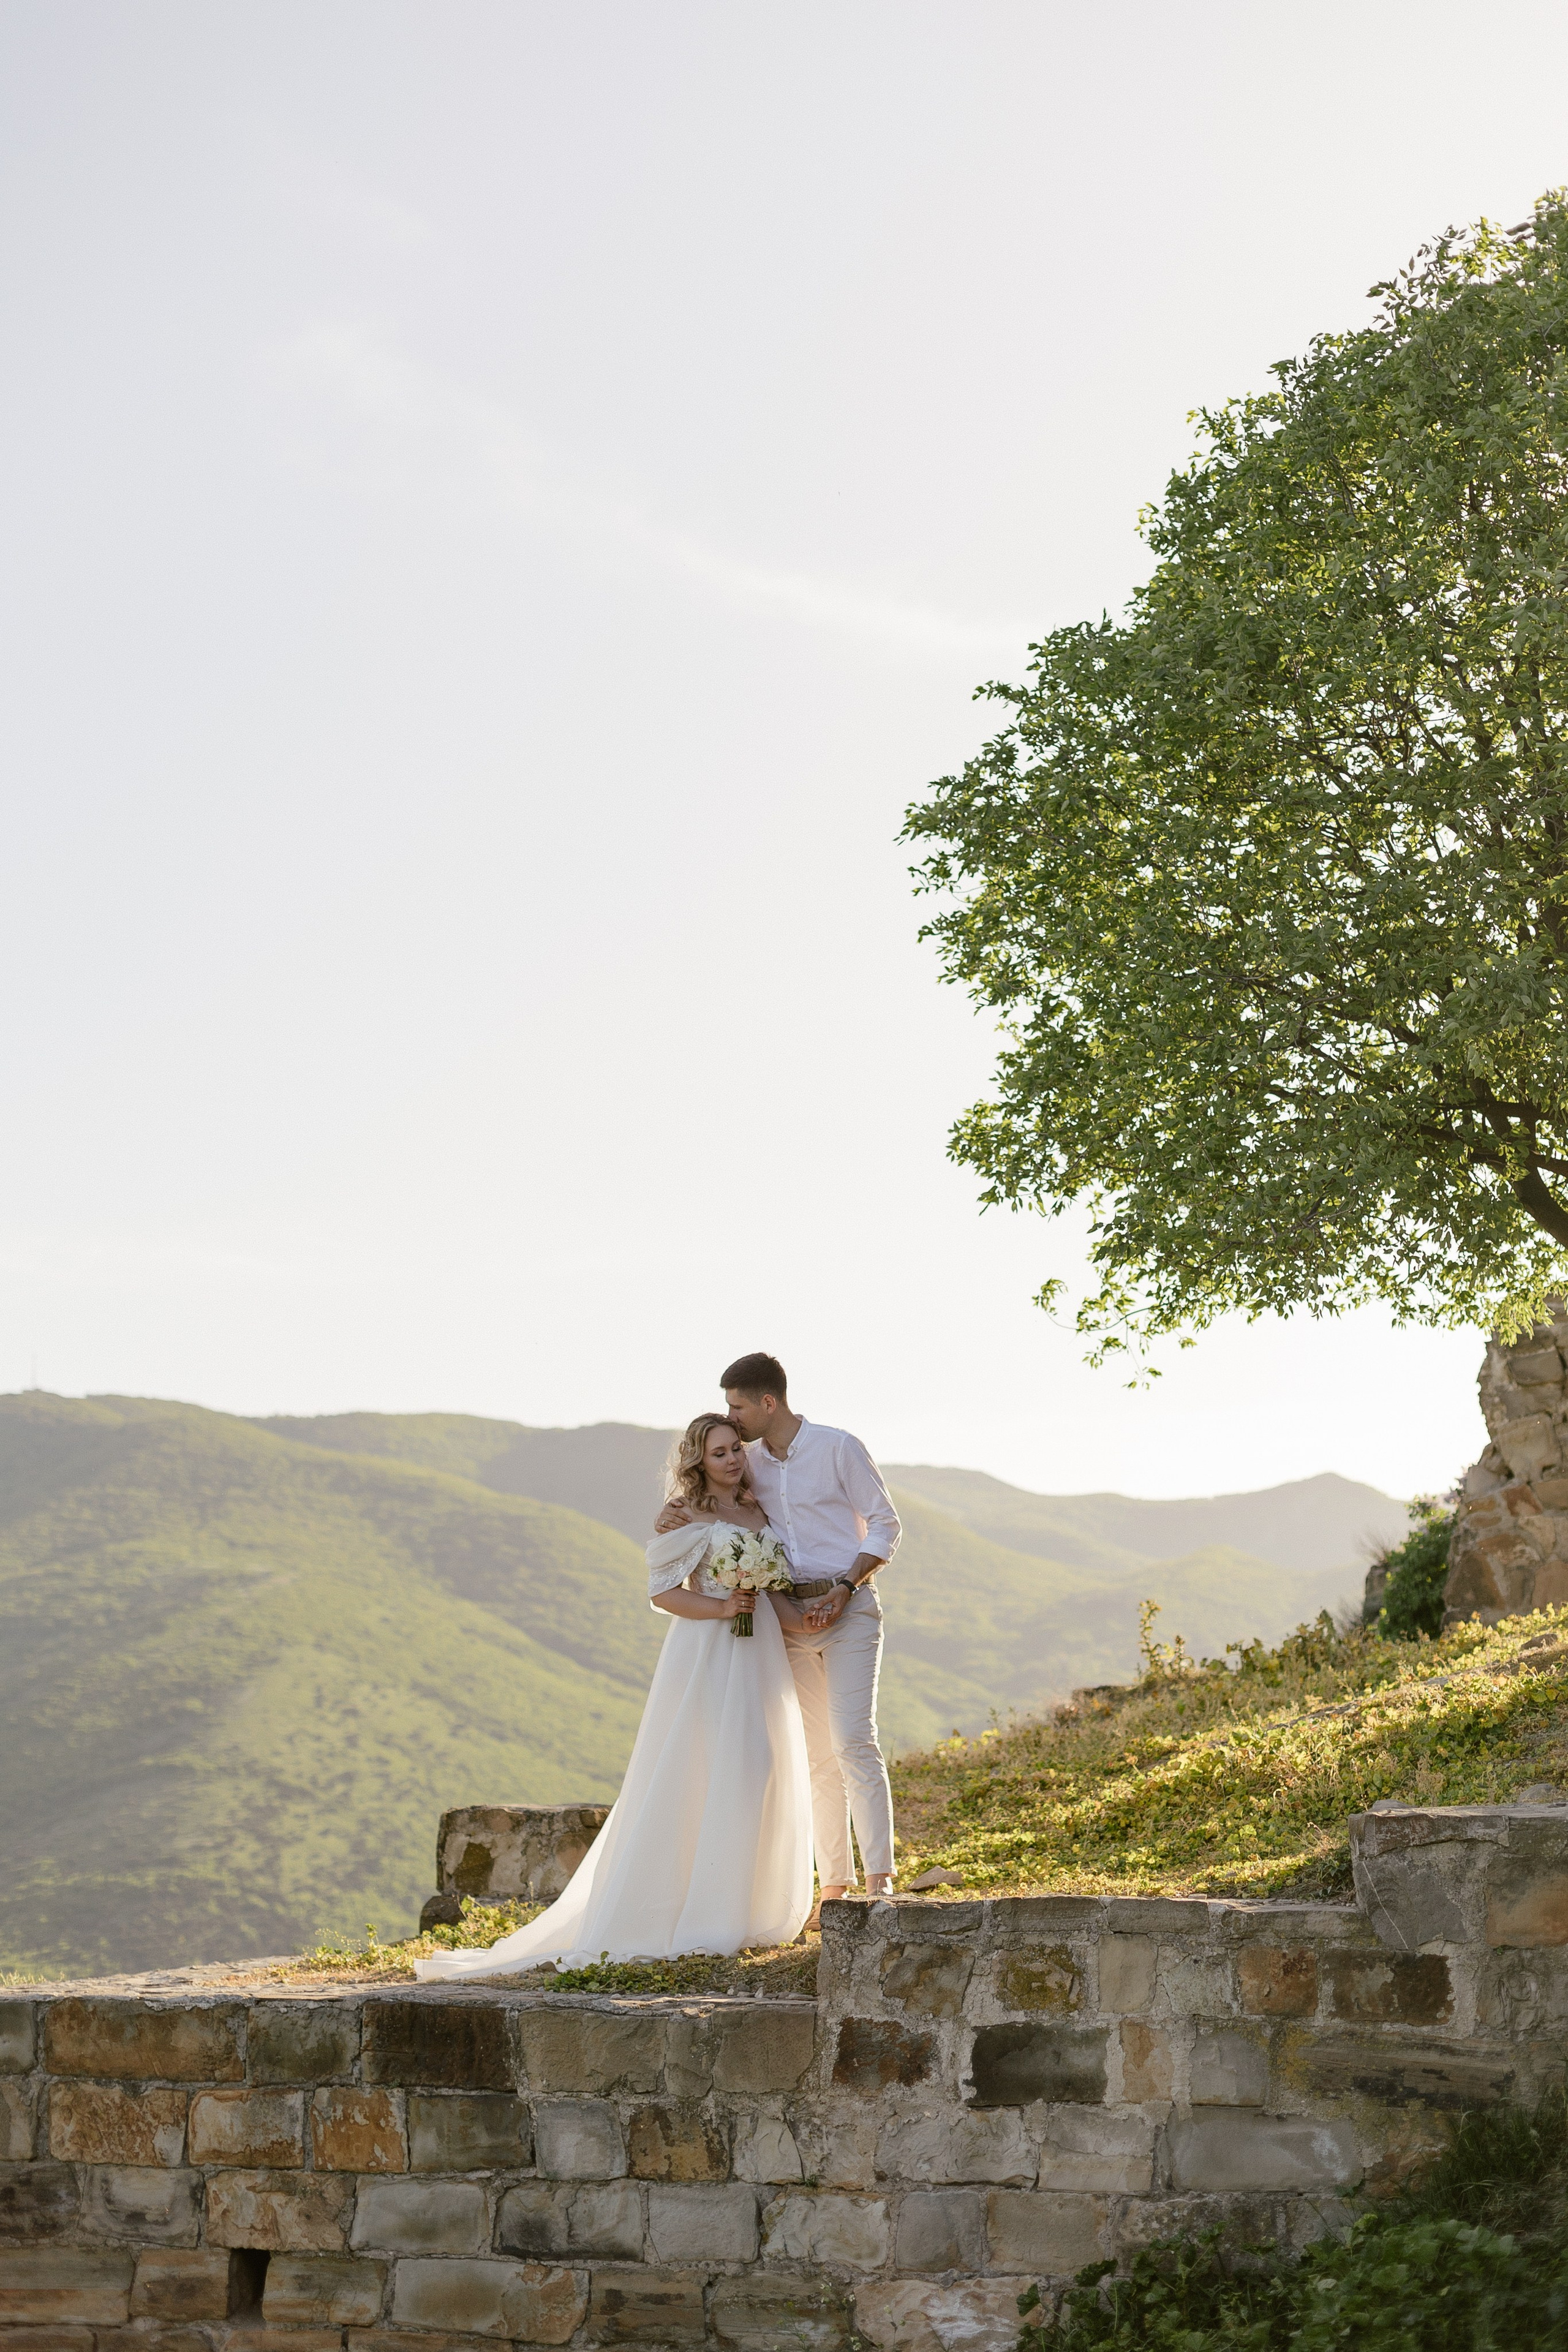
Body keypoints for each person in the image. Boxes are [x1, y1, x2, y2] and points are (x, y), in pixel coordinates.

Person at [414, 1413, 814, 1978]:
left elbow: (778, 1577)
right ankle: (699, 1913)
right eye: (718, 1453)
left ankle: (750, 1905)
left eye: (734, 1450)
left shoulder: (758, 1508)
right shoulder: (688, 1513)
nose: (730, 1459)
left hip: (761, 1648)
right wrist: (725, 1606)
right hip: (710, 1649)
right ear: (699, 1461)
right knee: (706, 1769)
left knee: (761, 1765)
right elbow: (664, 1592)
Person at [657, 1352, 900, 1916]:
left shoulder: (839, 1447)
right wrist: (677, 1511)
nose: (731, 1417)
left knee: (852, 1739)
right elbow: (717, 1505)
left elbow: (887, 1522)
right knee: (816, 1756)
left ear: (768, 1402)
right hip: (786, 1618)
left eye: (737, 1405)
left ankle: (881, 1878)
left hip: (850, 1609)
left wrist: (846, 1584)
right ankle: (834, 1886)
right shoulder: (748, 1463)